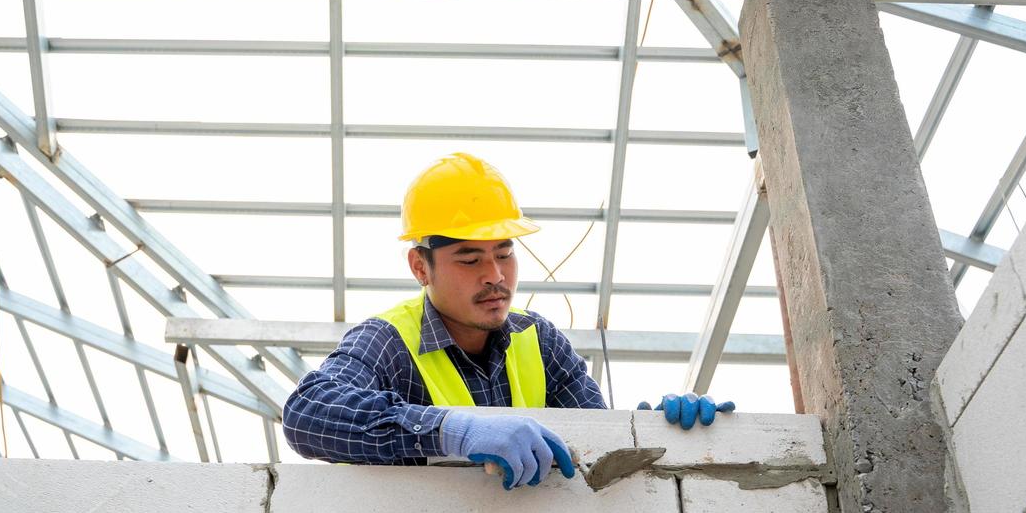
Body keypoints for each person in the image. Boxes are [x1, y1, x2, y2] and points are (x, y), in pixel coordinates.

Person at [282, 152, 732, 490]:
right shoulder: (388, 342)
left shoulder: (540, 341)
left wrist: (657, 430)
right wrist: (453, 430)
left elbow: (599, 446)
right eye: (470, 258)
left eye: (505, 254)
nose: (495, 277)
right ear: (421, 267)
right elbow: (306, 415)